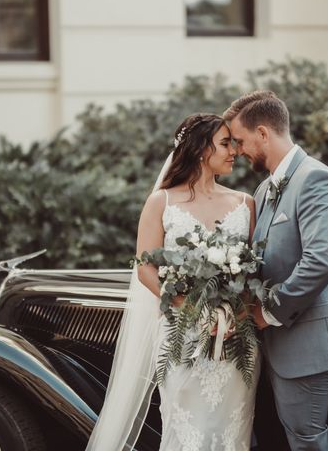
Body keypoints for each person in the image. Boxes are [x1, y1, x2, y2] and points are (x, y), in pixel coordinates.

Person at [86, 113, 259, 451]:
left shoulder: (245, 203)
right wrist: (193, 308)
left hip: (236, 341)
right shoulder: (161, 202)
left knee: (231, 434)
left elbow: (253, 273)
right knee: (185, 433)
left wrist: (236, 313)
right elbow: (145, 268)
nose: (234, 151)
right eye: (225, 144)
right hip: (182, 338)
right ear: (198, 149)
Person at [224, 90, 328, 451]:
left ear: (263, 133)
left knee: (307, 438)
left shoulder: (316, 179)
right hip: (273, 344)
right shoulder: (266, 187)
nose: (236, 151)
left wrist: (267, 312)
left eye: (240, 141)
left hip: (304, 340)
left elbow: (321, 262)